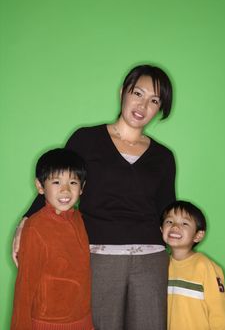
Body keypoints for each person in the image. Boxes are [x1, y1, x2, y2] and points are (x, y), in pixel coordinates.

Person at [12, 64, 176, 330]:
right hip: (100, 258)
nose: (143, 105)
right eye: (138, 93)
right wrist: (26, 219)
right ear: (123, 91)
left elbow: (168, 212)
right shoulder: (86, 139)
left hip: (151, 259)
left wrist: (185, 255)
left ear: (160, 108)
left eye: (154, 100)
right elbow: (57, 180)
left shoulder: (164, 157)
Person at [11, 148, 94, 330]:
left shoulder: (80, 220)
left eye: (73, 182)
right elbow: (24, 288)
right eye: (56, 182)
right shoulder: (35, 228)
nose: (65, 190)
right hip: (47, 323)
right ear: (40, 186)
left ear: (82, 188)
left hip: (82, 320)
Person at [161, 200, 225, 330]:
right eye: (169, 221)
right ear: (161, 229)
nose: (175, 226)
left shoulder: (205, 267)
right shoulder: (160, 265)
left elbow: (219, 312)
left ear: (198, 235)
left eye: (184, 223)